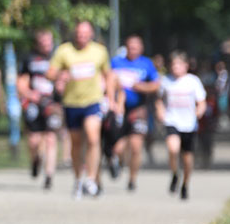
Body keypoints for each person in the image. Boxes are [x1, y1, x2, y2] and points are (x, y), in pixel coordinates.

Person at [46, 20, 115, 199]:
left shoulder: (99, 51)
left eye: (85, 34)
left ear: (91, 34)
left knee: (93, 138)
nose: (81, 37)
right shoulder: (64, 51)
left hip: (92, 101)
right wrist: (60, 75)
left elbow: (109, 76)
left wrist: (111, 98)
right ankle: (78, 179)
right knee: (76, 144)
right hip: (71, 103)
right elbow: (50, 73)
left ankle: (91, 179)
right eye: (78, 34)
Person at [109, 34, 160, 191]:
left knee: (136, 146)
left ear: (141, 48)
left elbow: (156, 85)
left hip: (139, 109)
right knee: (117, 147)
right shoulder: (116, 62)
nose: (133, 49)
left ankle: (132, 179)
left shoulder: (146, 64)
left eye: (136, 46)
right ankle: (117, 161)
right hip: (119, 109)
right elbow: (108, 80)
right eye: (130, 46)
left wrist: (140, 87)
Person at [155, 51, 206, 200]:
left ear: (186, 66)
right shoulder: (166, 81)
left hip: (189, 124)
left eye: (179, 64)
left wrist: (199, 111)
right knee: (173, 148)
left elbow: (201, 101)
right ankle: (175, 173)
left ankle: (185, 183)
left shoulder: (193, 81)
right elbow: (159, 99)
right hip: (172, 120)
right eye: (173, 64)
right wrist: (160, 110)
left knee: (187, 158)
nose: (176, 67)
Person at [17, 28, 64, 190]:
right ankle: (35, 160)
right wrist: (29, 94)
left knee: (51, 138)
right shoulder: (29, 58)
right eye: (42, 42)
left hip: (53, 103)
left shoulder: (59, 58)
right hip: (34, 103)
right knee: (34, 141)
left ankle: (49, 175)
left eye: (48, 42)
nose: (45, 45)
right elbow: (21, 82)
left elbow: (66, 78)